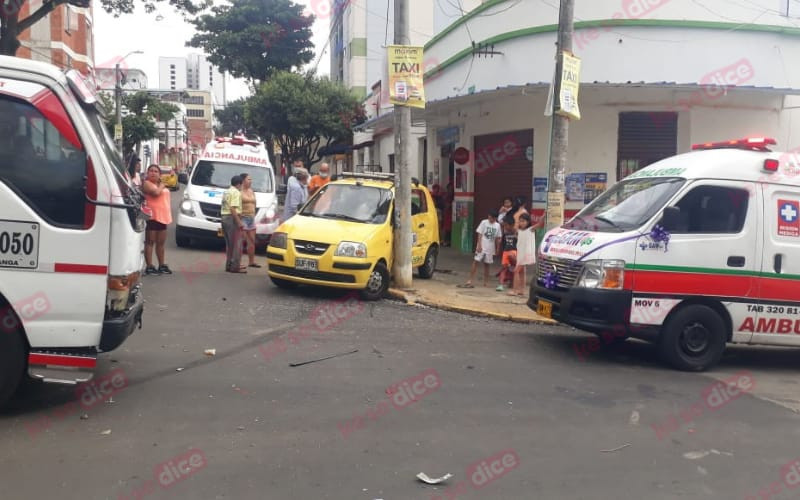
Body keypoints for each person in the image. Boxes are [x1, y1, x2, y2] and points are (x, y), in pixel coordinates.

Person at [141, 164, 173, 275]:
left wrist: (166, 181)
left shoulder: (160, 184)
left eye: (156, 171)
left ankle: (161, 265)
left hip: (163, 217)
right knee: (150, 242)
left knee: (161, 243)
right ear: (147, 173)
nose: (153, 173)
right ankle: (149, 266)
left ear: (159, 174)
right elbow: (155, 193)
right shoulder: (147, 184)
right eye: (151, 171)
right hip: (152, 216)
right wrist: (162, 185)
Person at [458, 209, 502, 288]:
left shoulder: (497, 225)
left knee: (487, 264)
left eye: (494, 218)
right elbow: (480, 234)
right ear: (489, 216)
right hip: (482, 245)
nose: (492, 219)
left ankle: (486, 282)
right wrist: (479, 245)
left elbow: (497, 238)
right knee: (476, 262)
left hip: (490, 247)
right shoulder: (484, 222)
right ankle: (470, 279)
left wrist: (497, 248)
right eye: (491, 218)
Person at [221, 175, 246, 273]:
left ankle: (229, 265)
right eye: (241, 185)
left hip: (224, 217)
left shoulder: (227, 191)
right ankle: (235, 266)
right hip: (232, 219)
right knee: (237, 244)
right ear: (239, 184)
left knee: (229, 244)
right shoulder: (236, 192)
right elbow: (233, 208)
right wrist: (239, 222)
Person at [510, 212, 537, 297]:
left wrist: (544, 215)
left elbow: (540, 224)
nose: (521, 223)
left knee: (516, 271)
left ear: (528, 221)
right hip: (520, 253)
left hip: (525, 254)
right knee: (522, 272)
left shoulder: (531, 229)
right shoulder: (519, 231)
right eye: (520, 221)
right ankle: (521, 290)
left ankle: (515, 290)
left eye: (523, 221)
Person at [240, 173, 260, 268]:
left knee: (251, 241)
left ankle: (251, 261)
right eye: (248, 179)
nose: (250, 181)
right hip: (243, 217)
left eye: (251, 179)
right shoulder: (239, 191)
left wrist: (254, 214)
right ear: (243, 181)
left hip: (251, 218)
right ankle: (237, 261)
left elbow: (255, 204)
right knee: (241, 240)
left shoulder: (251, 191)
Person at [496, 217, 517, 292]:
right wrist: (499, 250)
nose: (505, 227)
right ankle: (501, 285)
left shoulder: (517, 233)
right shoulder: (505, 233)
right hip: (505, 252)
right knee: (504, 268)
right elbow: (502, 243)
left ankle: (513, 283)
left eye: (506, 225)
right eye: (504, 225)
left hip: (514, 252)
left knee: (514, 268)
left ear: (512, 225)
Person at [442, 182, 454, 247]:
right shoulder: (446, 196)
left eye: (452, 189)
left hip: (451, 214)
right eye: (449, 189)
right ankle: (444, 241)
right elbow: (446, 205)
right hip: (447, 214)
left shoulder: (453, 196)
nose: (451, 190)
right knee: (446, 228)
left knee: (450, 228)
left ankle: (448, 241)